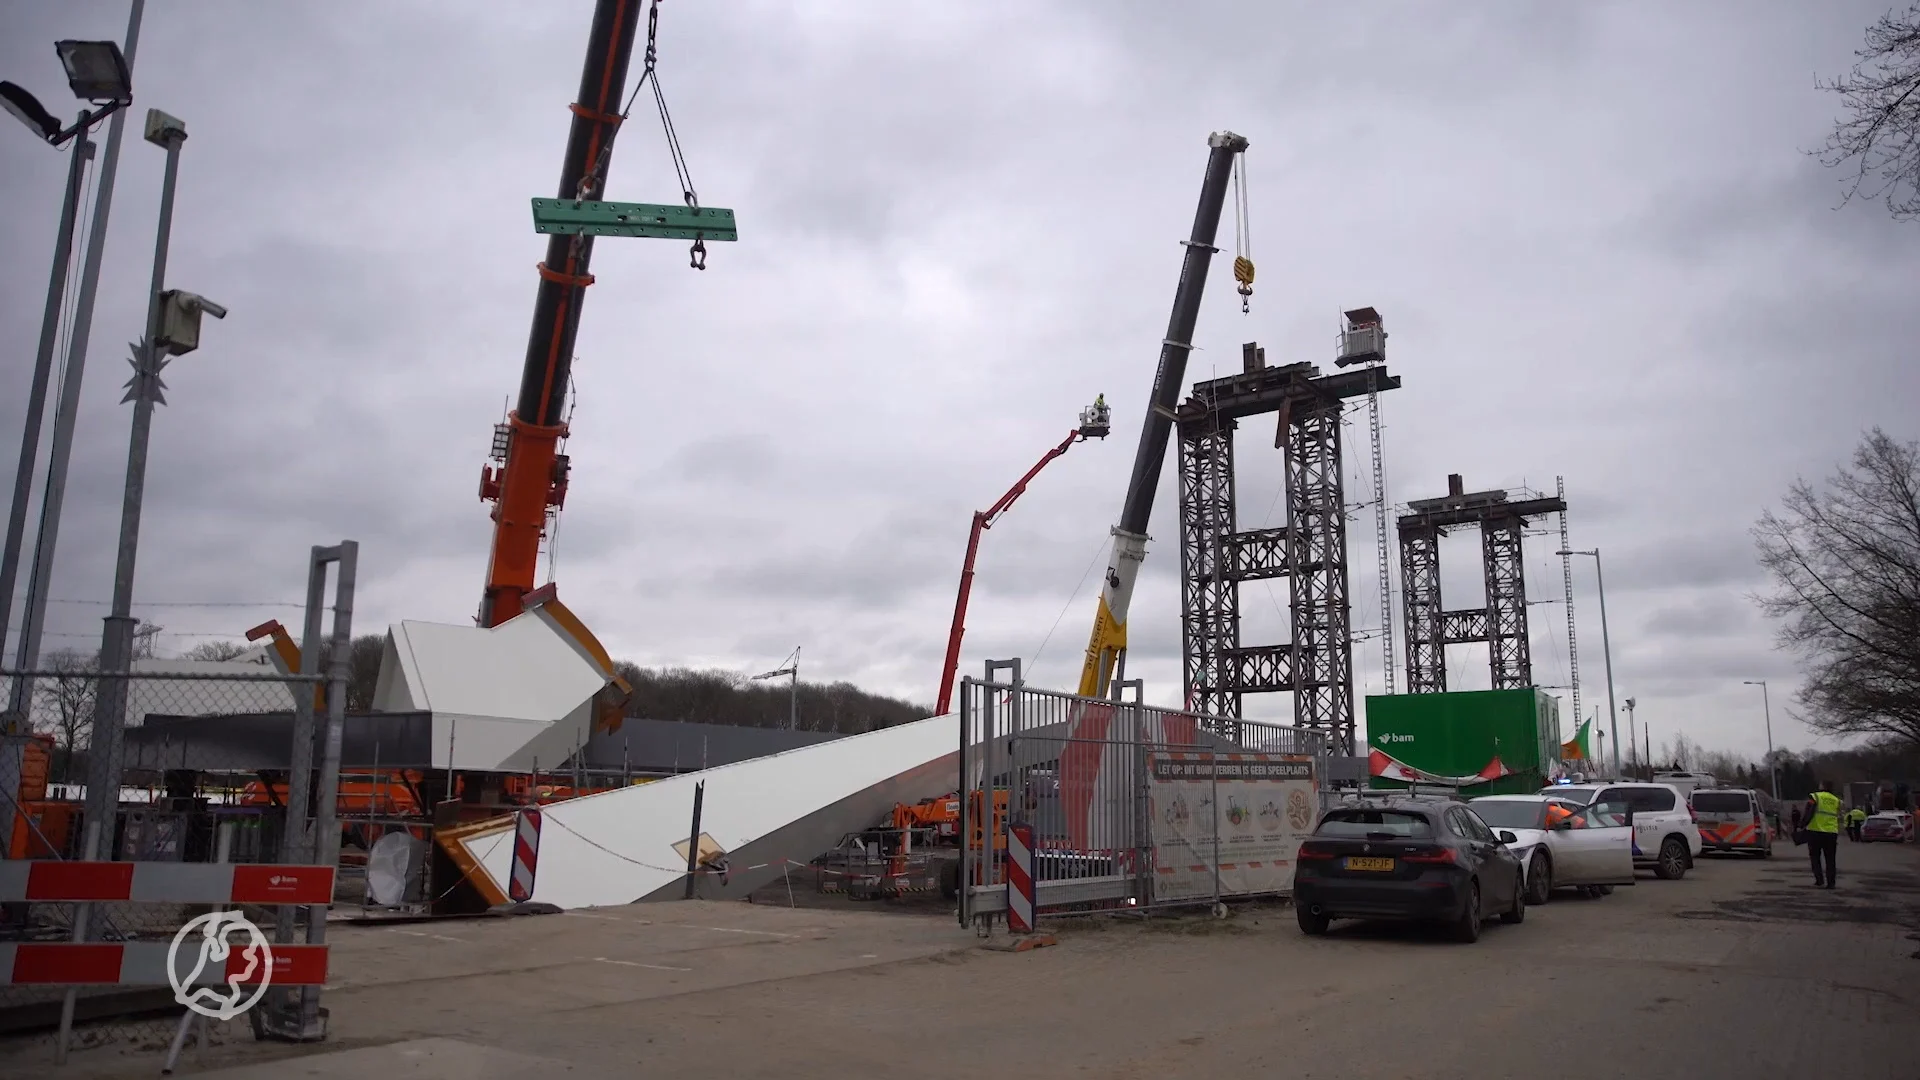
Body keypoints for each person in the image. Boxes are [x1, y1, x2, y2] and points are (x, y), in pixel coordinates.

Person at [1802, 781, 1842, 888]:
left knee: (1815, 857)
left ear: (1822, 786)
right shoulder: (1836, 800)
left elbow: (1809, 812)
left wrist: (1802, 824)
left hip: (1815, 831)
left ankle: (1819, 880)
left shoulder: (1815, 797)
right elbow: (1838, 815)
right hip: (1831, 832)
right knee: (1830, 859)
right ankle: (1831, 883)